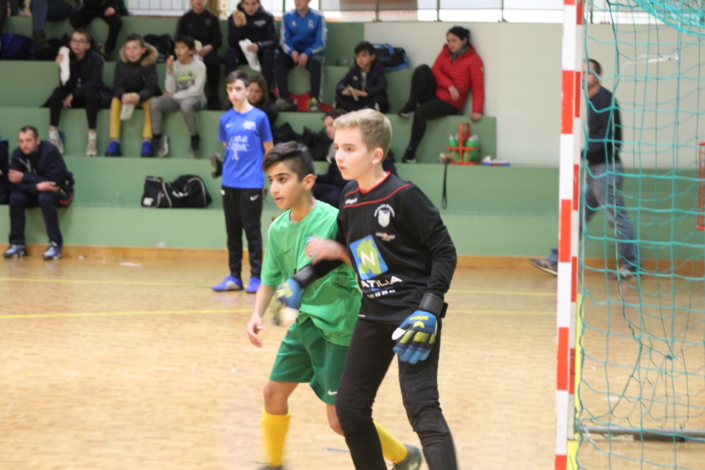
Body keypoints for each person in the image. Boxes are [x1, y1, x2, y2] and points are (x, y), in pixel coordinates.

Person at [275, 109, 458, 470]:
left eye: (349, 148)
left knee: (421, 408)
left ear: (375, 155)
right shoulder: (349, 196)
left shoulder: (404, 195)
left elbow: (444, 251)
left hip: (413, 316)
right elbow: (341, 251)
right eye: (337, 147)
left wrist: (429, 309)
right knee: (350, 409)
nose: (338, 156)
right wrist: (300, 280)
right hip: (372, 313)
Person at [247, 141, 422, 470]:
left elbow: (374, 267)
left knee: (341, 420)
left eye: (283, 179)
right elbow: (269, 278)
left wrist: (340, 252)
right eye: (271, 180)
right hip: (304, 326)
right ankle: (274, 465)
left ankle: (405, 455)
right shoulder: (277, 228)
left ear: (308, 181)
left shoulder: (337, 219)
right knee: (273, 394)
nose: (275, 188)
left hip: (340, 331)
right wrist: (256, 314)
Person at [530, 59, 639, 280]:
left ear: (597, 76)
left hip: (606, 169)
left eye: (587, 72)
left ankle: (631, 265)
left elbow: (609, 138)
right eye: (580, 73)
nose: (582, 76)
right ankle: (556, 260)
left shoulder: (605, 99)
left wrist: (581, 153)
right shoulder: (591, 100)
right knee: (577, 216)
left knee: (616, 217)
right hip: (594, 169)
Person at [212, 71, 273, 293]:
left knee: (252, 231)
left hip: (251, 183)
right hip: (229, 183)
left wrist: (267, 178)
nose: (234, 93)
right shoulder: (225, 119)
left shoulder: (260, 118)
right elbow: (227, 149)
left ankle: (256, 277)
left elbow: (269, 149)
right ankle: (234, 277)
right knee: (232, 231)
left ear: (247, 90)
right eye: (230, 89)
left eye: (238, 89)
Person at [398, 26, 484, 163]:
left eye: (454, 41)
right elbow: (435, 70)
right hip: (436, 94)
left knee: (420, 113)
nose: (450, 44)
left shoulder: (474, 60)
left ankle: (410, 153)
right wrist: (450, 85)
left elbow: (477, 87)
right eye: (448, 40)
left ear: (464, 41)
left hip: (450, 103)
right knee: (422, 69)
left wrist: (477, 111)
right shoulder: (445, 52)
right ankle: (411, 104)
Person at [4, 126, 74, 261]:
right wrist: (37, 186)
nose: (24, 145)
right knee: (15, 197)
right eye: (21, 141)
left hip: (61, 190)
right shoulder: (17, 155)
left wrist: (24, 177)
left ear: (37, 140)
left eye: (28, 140)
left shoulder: (50, 151)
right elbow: (14, 183)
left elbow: (54, 182)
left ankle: (55, 244)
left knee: (45, 197)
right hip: (34, 191)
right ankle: (17, 243)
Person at [45, 29, 111, 157]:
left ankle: (92, 138)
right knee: (57, 93)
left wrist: (73, 94)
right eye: (74, 40)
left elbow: (95, 81)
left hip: (90, 97)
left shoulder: (95, 58)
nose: (77, 44)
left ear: (88, 45)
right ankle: (53, 136)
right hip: (73, 95)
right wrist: (62, 66)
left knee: (90, 93)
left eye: (81, 41)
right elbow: (65, 84)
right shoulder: (66, 56)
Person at [150, 35, 206, 159]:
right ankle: (158, 138)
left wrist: (174, 95)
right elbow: (170, 89)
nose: (178, 51)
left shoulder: (200, 66)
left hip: (195, 98)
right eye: (176, 47)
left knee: (186, 105)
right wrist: (170, 70)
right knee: (155, 103)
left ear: (191, 51)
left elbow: (197, 90)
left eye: (182, 47)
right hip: (177, 98)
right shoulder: (174, 64)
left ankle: (195, 138)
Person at [106, 34, 160, 158]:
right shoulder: (120, 65)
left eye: (135, 48)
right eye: (128, 48)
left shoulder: (149, 64)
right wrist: (122, 95)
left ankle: (147, 141)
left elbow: (151, 86)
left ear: (143, 50)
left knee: (151, 103)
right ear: (125, 50)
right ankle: (114, 141)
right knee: (115, 101)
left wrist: (140, 97)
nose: (131, 52)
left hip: (143, 98)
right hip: (126, 97)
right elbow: (118, 84)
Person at [273, 0, 326, 113]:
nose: (298, 2)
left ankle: (315, 101)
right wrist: (291, 52)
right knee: (279, 61)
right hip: (293, 52)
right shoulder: (287, 16)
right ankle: (284, 99)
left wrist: (307, 53)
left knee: (316, 64)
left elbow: (321, 42)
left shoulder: (318, 16)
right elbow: (284, 41)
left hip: (311, 52)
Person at [176, 0, 222, 110]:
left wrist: (209, 47)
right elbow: (179, 38)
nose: (198, 1)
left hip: (207, 51)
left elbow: (218, 40)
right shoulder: (185, 19)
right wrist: (189, 49)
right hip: (189, 51)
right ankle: (185, 94)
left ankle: (213, 95)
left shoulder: (213, 18)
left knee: (214, 61)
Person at [225, 0, 277, 94]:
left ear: (259, 4)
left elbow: (274, 41)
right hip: (242, 53)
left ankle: (264, 94)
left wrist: (259, 46)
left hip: (260, 53)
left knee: (269, 54)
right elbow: (232, 43)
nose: (250, 7)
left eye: (253, 4)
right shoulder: (235, 16)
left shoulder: (267, 17)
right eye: (247, 4)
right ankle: (230, 94)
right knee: (231, 53)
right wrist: (237, 27)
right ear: (242, 4)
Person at [335, 41, 389, 113]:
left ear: (372, 57)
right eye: (357, 56)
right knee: (339, 97)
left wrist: (366, 93)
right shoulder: (353, 71)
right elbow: (340, 84)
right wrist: (343, 90)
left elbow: (382, 86)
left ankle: (369, 110)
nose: (360, 59)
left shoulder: (377, 70)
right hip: (359, 101)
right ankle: (361, 110)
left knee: (379, 98)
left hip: (370, 98)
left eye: (364, 56)